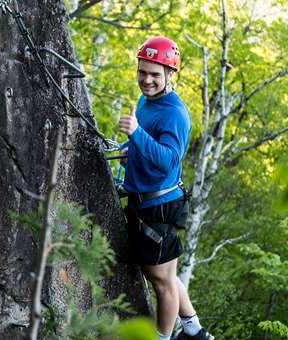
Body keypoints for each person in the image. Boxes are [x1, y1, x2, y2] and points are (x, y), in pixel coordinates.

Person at [118, 36, 214, 340]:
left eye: (155, 74)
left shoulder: (175, 113)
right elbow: (147, 143)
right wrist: (127, 147)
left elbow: (168, 161)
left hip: (159, 206)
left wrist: (135, 134)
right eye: (142, 72)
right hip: (144, 202)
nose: (147, 80)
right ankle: (194, 330)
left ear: (170, 75)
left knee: (162, 280)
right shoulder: (149, 102)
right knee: (161, 273)